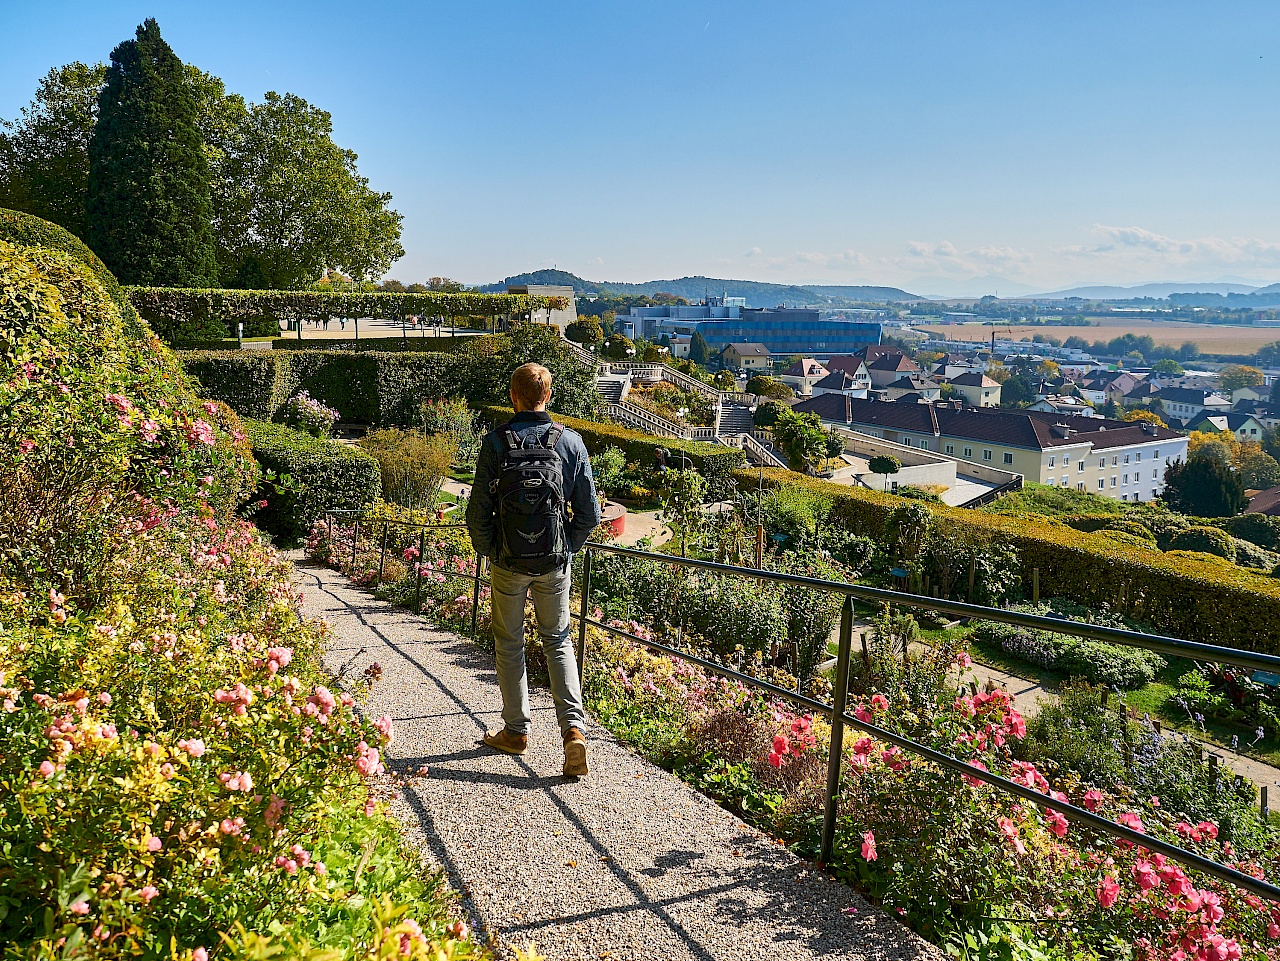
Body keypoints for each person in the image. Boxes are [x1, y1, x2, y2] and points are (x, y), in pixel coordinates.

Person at [465, 363, 603, 776]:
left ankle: (516, 730)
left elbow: (477, 513)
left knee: (509, 644)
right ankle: (574, 732)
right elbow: (589, 515)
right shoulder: (570, 443)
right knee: (558, 641)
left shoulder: (496, 442)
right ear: (549, 396)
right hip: (553, 562)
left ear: (513, 396)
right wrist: (565, 550)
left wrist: (493, 552)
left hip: (508, 563)